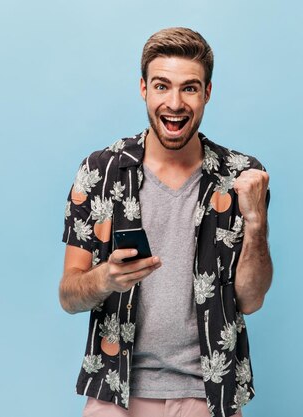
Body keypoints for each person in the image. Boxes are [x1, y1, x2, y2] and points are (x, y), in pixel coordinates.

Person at [59, 27, 272, 417]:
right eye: (162, 86)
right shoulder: (100, 171)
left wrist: (256, 222)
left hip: (208, 391)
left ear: (208, 93)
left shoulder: (241, 176)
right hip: (116, 386)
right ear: (143, 89)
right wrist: (105, 278)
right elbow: (69, 294)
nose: (174, 103)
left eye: (189, 88)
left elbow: (251, 300)